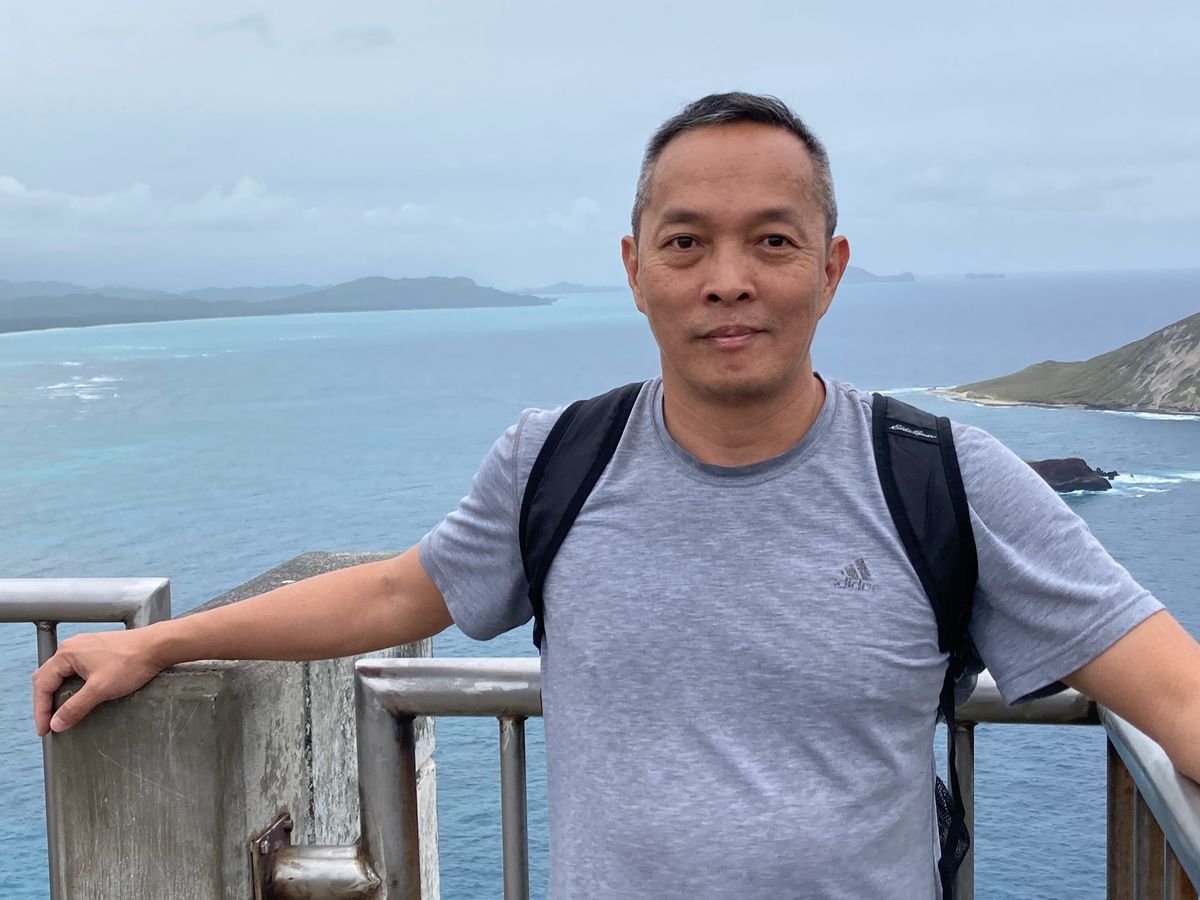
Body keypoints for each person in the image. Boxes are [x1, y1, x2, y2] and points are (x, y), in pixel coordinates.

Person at [32, 92, 1200, 898]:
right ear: (635, 269)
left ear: (831, 268)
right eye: (686, 243)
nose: (728, 280)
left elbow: (1174, 695)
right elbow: (396, 594)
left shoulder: (942, 476)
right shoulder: (559, 460)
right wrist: (162, 643)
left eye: (773, 242)